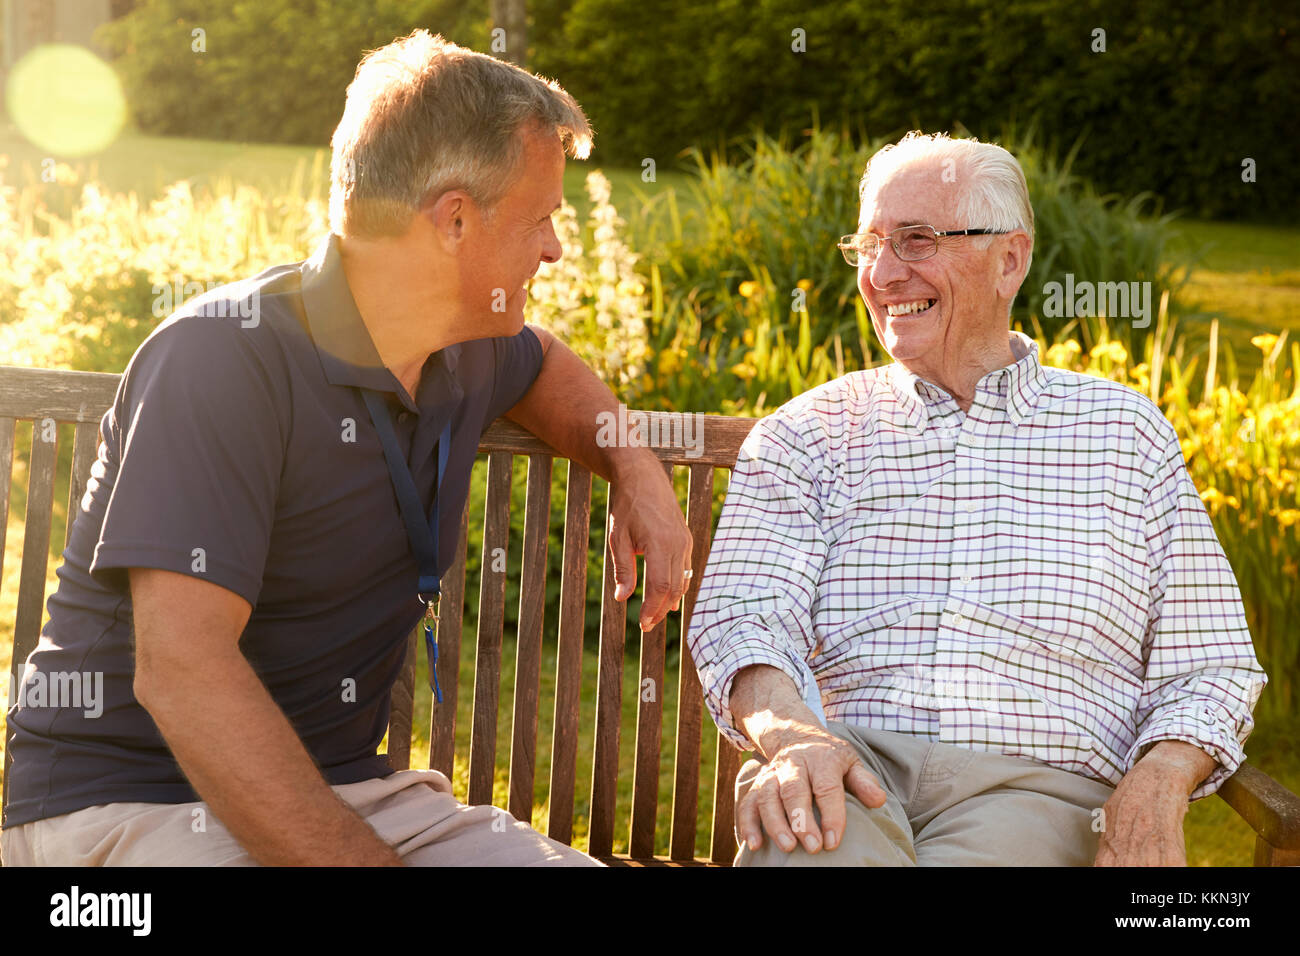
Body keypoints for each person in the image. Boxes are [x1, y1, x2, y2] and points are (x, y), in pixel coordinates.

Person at [2, 31, 692, 866]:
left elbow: (545, 363)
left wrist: (637, 468)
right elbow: (182, 670)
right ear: (455, 219)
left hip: (354, 795)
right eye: (541, 217)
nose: (553, 247)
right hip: (132, 806)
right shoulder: (223, 359)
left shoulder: (461, 341)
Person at [686, 131, 1267, 867]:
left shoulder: (1122, 434)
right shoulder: (806, 435)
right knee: (805, 851)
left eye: (917, 241)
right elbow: (744, 618)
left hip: (1041, 787)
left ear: (1010, 260)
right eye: (869, 245)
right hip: (847, 764)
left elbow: (1209, 663)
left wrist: (1160, 775)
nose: (884, 272)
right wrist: (794, 736)